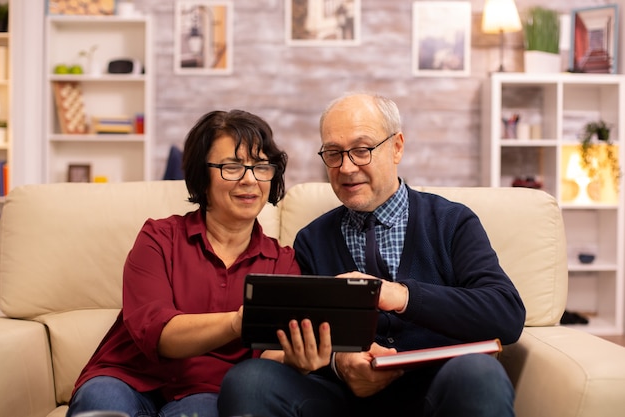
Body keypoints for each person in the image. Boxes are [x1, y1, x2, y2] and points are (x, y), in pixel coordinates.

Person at [218, 92, 526, 417]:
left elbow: (505, 313)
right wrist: (340, 364)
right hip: (341, 399)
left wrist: (397, 295)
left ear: (397, 147)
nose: (347, 167)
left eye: (362, 150)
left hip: (435, 390)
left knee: (480, 373)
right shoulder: (311, 240)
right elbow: (291, 341)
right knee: (248, 381)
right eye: (334, 154)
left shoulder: (451, 222)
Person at [67, 109, 311, 417]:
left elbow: (269, 353)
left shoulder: (282, 263)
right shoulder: (158, 238)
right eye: (232, 167)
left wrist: (296, 359)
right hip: (128, 377)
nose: (249, 180)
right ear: (201, 174)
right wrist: (236, 322)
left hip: (207, 392)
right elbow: (160, 334)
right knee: (100, 399)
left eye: (261, 166)